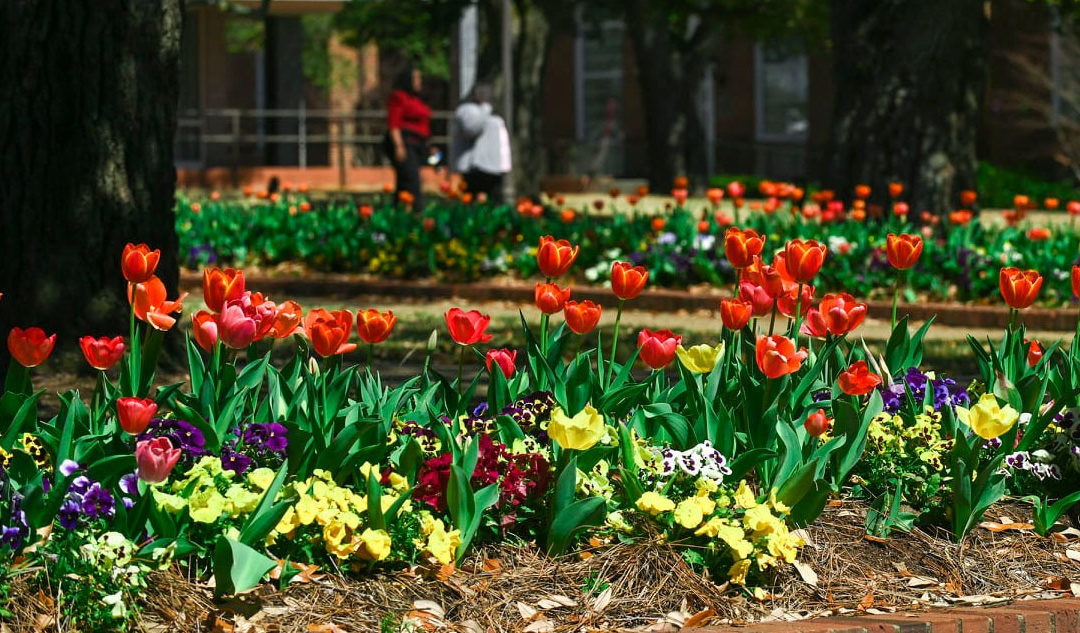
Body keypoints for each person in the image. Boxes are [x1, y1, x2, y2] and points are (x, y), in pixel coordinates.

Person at [451, 84, 511, 205]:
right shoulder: (467, 110)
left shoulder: (491, 113)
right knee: (473, 202)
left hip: (493, 168)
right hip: (476, 167)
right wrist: (486, 108)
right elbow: (472, 128)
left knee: (493, 202)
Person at [385, 65, 431, 209]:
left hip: (418, 143)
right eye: (416, 78)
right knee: (411, 180)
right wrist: (399, 146)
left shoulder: (417, 99)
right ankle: (417, 211)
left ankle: (398, 212)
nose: (419, 82)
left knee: (405, 182)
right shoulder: (399, 98)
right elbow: (394, 124)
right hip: (405, 143)